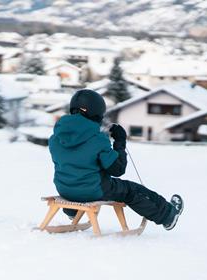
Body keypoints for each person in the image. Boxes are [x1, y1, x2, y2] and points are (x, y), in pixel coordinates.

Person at [48, 89, 184, 230]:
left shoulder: (55, 139)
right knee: (131, 190)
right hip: (93, 190)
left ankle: (72, 211)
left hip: (65, 189)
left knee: (74, 176)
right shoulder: (98, 139)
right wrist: (119, 141)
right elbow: (117, 169)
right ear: (96, 112)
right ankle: (168, 216)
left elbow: (72, 163)